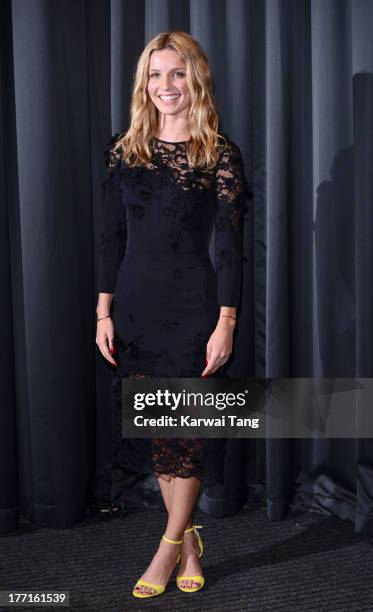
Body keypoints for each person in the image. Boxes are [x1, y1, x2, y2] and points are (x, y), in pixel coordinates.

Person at [96, 30, 249, 599]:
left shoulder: (218, 153)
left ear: (196, 80)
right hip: (134, 306)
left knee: (186, 434)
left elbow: (230, 246)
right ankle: (189, 542)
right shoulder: (124, 149)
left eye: (177, 74)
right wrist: (102, 314)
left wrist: (226, 322)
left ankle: (165, 549)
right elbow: (109, 239)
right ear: (145, 83)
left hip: (195, 308)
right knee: (161, 433)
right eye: (156, 75)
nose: (166, 86)